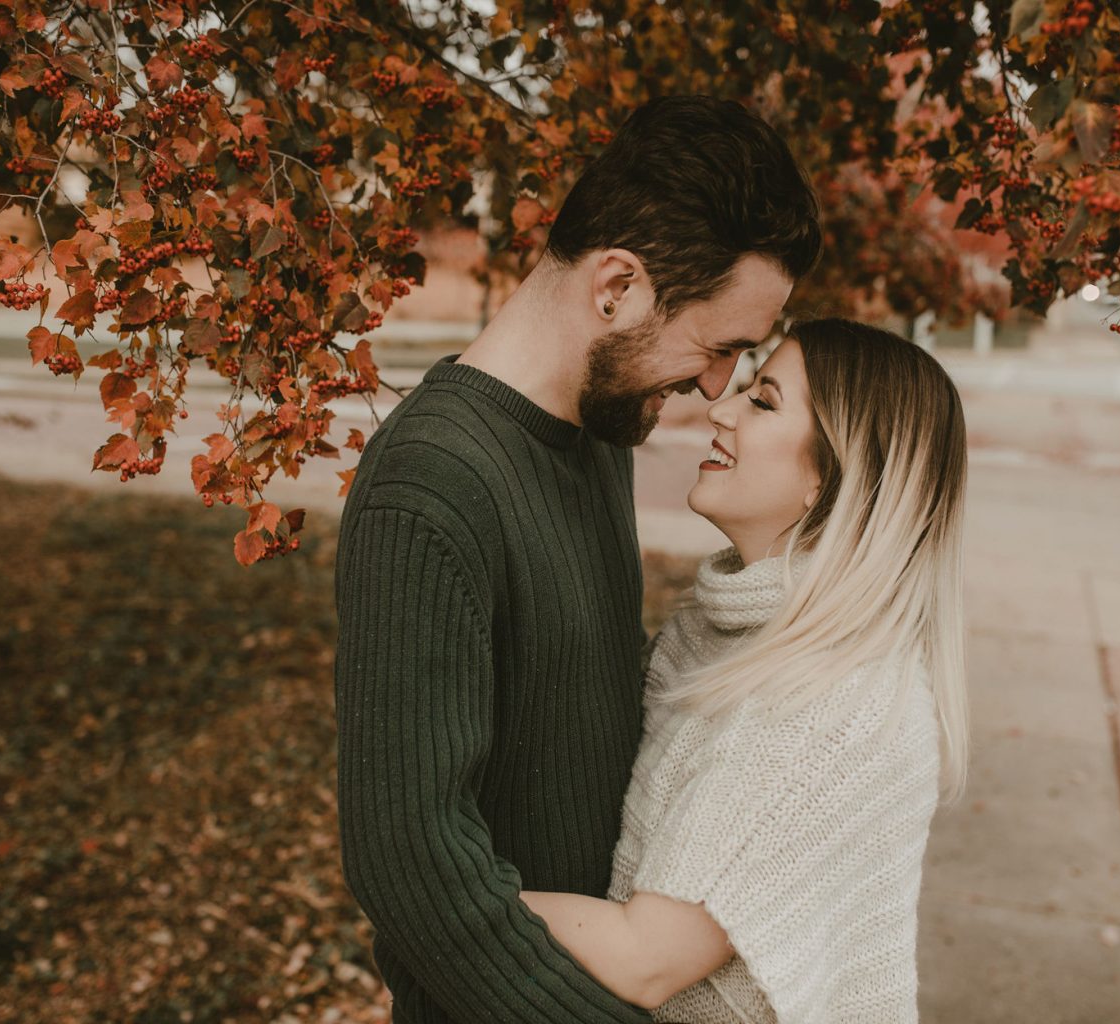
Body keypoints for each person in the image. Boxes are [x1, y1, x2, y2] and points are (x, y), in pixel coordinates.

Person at [331, 95, 821, 1023]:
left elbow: (588, 707)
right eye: (718, 347)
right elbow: (410, 858)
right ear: (617, 288)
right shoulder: (431, 485)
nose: (719, 385)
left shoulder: (600, 434)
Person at [520, 319, 970, 1023]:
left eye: (763, 401)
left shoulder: (829, 699)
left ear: (831, 470)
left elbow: (649, 958)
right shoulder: (721, 631)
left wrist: (440, 893)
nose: (721, 408)